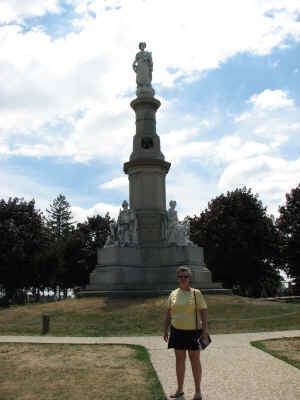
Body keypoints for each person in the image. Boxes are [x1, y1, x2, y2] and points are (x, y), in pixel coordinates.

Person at [164, 266, 208, 400]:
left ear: (189, 278)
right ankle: (180, 389)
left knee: (195, 360)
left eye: (186, 276)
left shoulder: (196, 293)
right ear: (178, 278)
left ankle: (198, 391)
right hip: (177, 331)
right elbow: (168, 313)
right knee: (179, 360)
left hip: (194, 331)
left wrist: (204, 330)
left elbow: (203, 312)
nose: (183, 279)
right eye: (181, 276)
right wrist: (165, 329)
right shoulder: (173, 294)